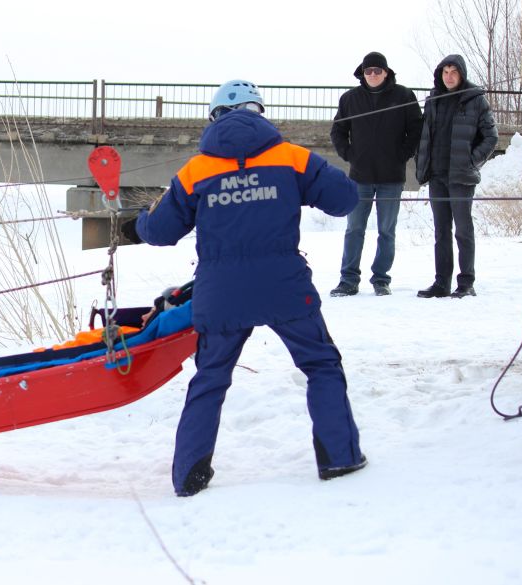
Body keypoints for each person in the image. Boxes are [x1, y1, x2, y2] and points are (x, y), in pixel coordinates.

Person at [125, 80, 367, 496]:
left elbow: (162, 231)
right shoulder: (291, 157)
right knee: (321, 365)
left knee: (210, 378)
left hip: (221, 295)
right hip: (285, 288)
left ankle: (188, 478)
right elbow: (344, 200)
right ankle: (340, 459)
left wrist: (138, 225)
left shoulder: (196, 170)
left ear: (214, 116)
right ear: (259, 111)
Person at [329, 52, 423, 297]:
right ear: (362, 73)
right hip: (360, 177)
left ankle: (381, 279)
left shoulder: (404, 96)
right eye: (368, 71)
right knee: (354, 229)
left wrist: (403, 154)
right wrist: (349, 154)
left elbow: (416, 129)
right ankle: (348, 279)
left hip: (392, 177)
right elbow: (338, 130)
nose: (372, 75)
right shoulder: (350, 99)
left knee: (386, 231)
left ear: (386, 72)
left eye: (377, 71)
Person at [415, 54, 498, 298]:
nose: (449, 76)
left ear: (461, 74)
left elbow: (491, 137)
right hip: (437, 176)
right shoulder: (433, 100)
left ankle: (465, 283)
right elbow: (425, 134)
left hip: (461, 177)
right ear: (440, 75)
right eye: (445, 72)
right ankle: (442, 282)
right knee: (441, 232)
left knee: (462, 230)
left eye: (454, 72)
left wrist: (472, 160)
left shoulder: (475, 99)